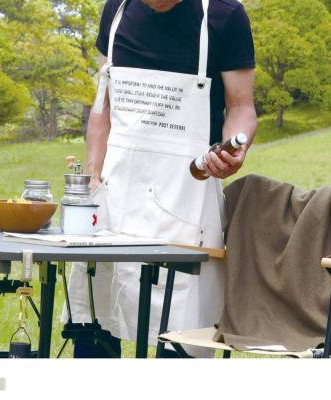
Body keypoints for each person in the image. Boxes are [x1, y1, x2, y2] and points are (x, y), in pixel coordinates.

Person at [64, 0, 257, 358]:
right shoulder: (117, 10)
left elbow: (241, 107)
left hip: (186, 198)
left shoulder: (225, 15)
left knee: (180, 336)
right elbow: (103, 104)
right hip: (114, 195)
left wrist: (234, 149)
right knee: (94, 323)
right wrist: (92, 176)